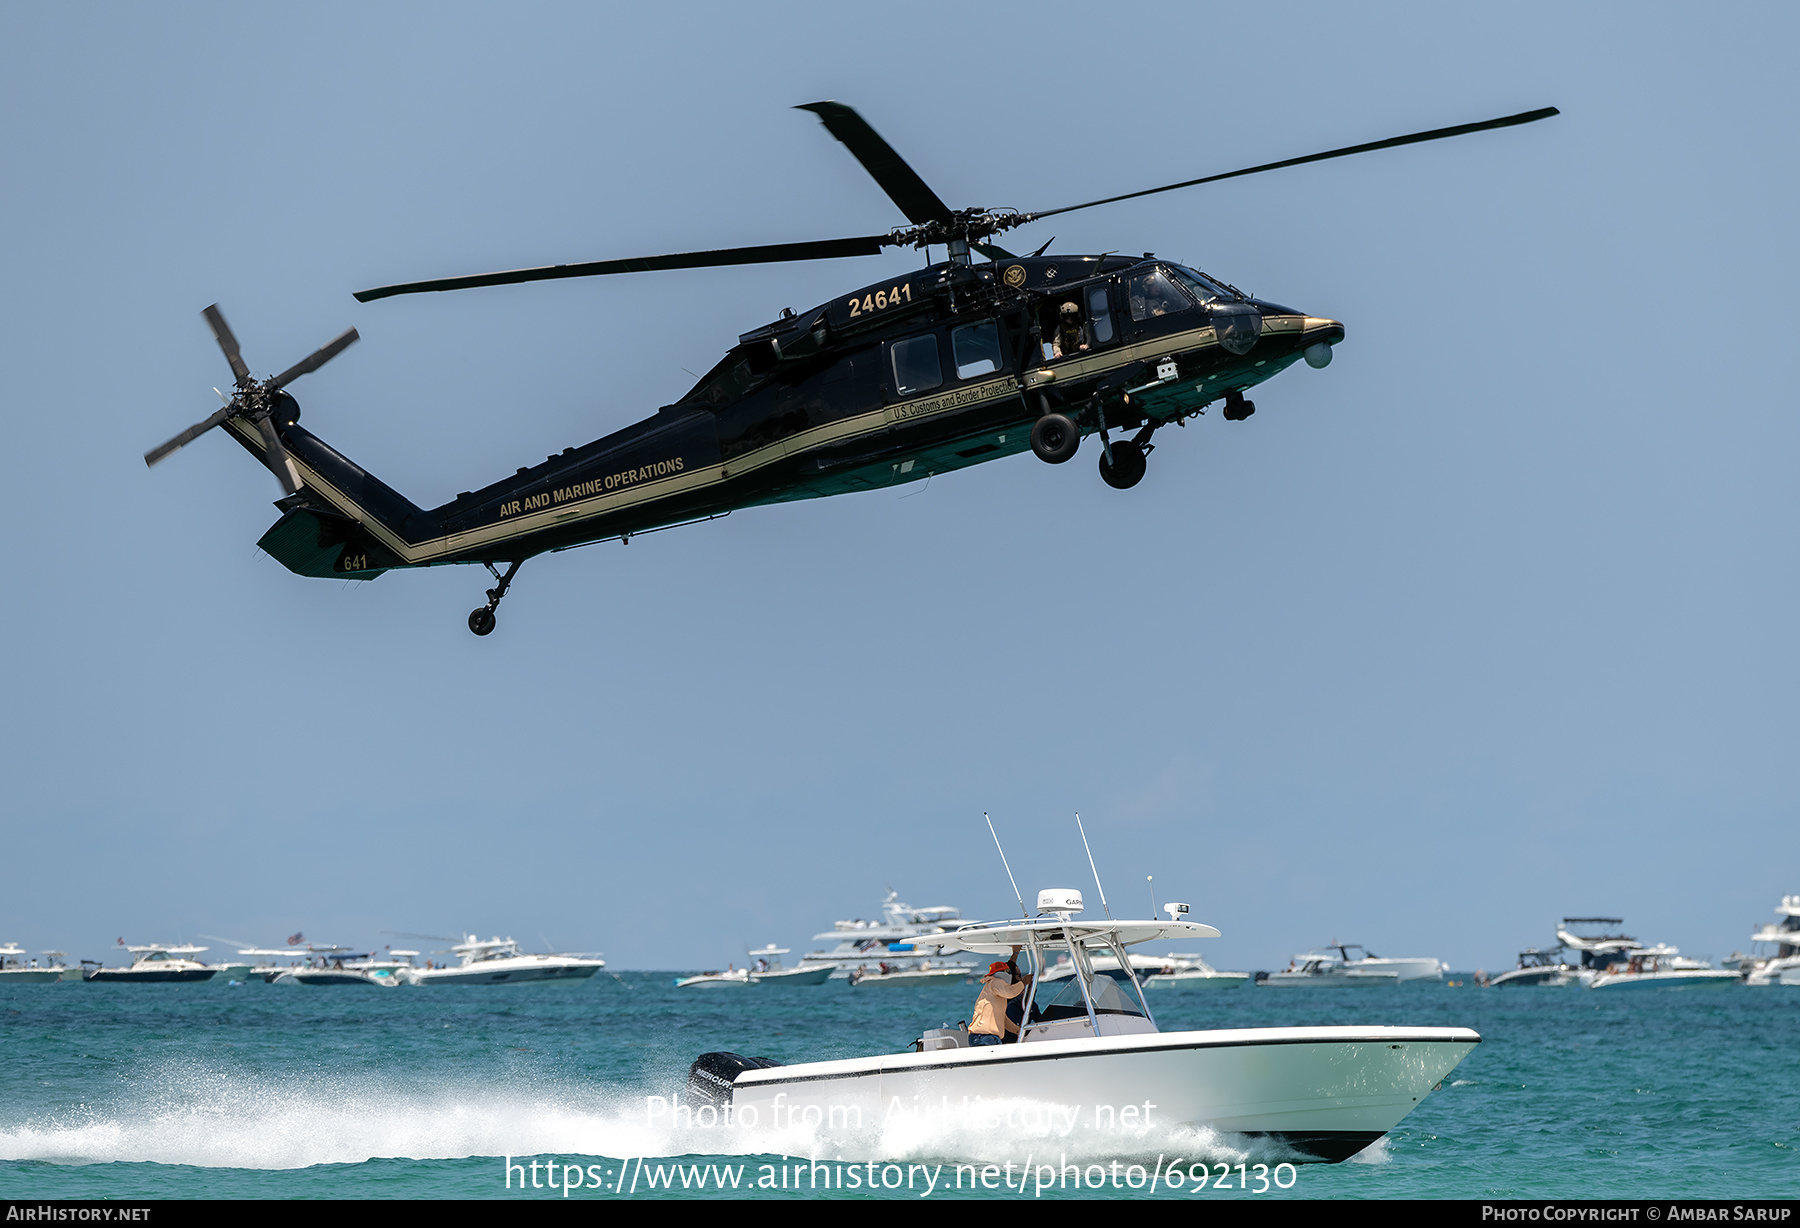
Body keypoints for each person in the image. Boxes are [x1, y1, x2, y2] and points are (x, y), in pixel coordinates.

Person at [969, 947, 1031, 1046]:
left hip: (985, 1036)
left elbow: (1003, 1019)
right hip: (985, 1036)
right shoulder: (995, 982)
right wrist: (1023, 983)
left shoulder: (993, 990)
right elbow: (1010, 992)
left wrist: (1017, 1031)